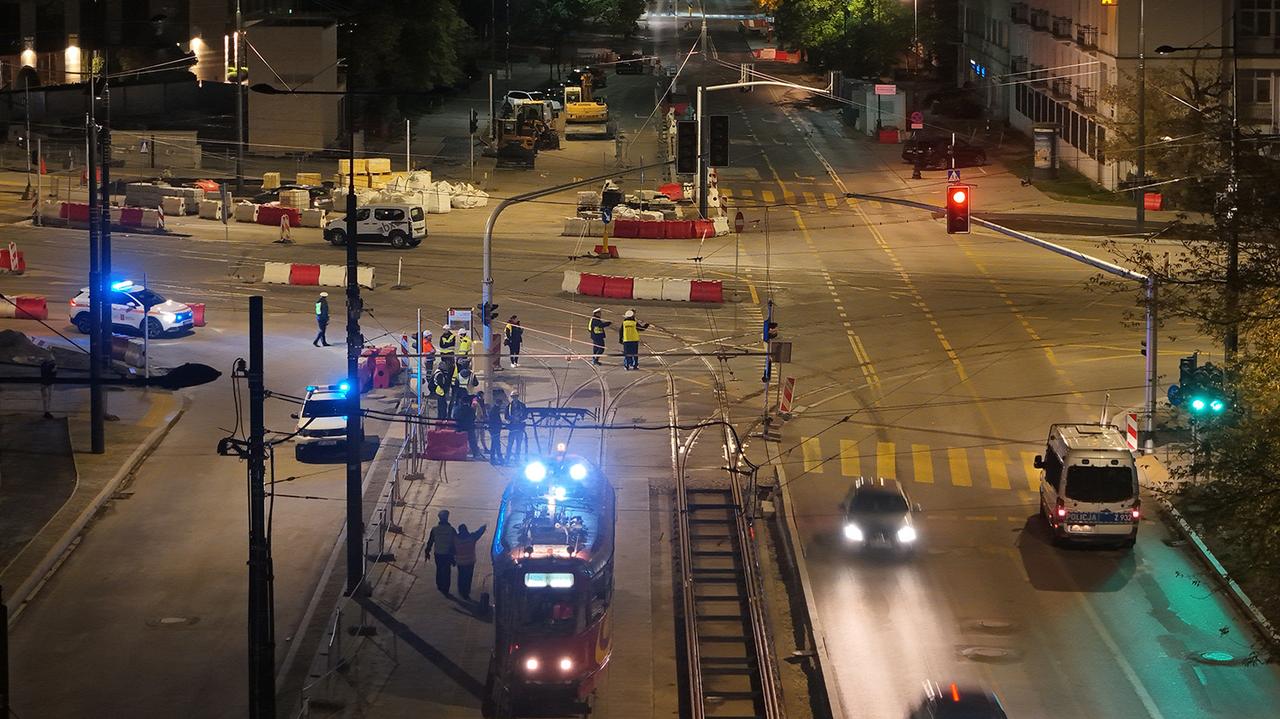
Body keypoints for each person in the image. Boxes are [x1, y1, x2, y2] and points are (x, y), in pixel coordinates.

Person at [424, 510, 457, 595]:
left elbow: (430, 541)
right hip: (447, 554)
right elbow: (455, 543)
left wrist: (427, 552)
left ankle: (439, 585)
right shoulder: (451, 530)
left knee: (439, 569)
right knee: (447, 571)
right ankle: (446, 588)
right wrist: (455, 556)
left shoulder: (435, 529)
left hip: (438, 553)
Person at [453, 523, 488, 601]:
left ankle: (461, 591)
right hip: (469, 561)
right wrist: (483, 527)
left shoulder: (456, 539)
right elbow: (478, 533)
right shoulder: (471, 538)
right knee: (468, 577)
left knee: (461, 576)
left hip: (460, 561)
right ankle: (466, 592)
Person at [454, 393, 482, 459]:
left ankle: (458, 453)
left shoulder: (457, 409)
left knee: (459, 442)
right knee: (472, 441)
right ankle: (475, 453)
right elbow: (473, 417)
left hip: (459, 428)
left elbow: (454, 416)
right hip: (469, 428)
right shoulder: (471, 409)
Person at [507, 390, 528, 464]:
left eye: (515, 397)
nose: (514, 398)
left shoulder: (522, 405)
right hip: (512, 427)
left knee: (518, 444)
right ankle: (507, 458)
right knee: (510, 444)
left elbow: (525, 415)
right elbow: (506, 416)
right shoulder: (509, 406)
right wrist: (512, 418)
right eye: (513, 397)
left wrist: (519, 419)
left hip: (519, 427)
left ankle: (517, 459)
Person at [487, 390, 507, 465]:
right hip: (494, 429)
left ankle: (495, 458)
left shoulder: (495, 409)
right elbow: (494, 419)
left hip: (495, 429)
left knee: (495, 444)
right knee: (496, 444)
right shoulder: (494, 410)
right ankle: (497, 458)